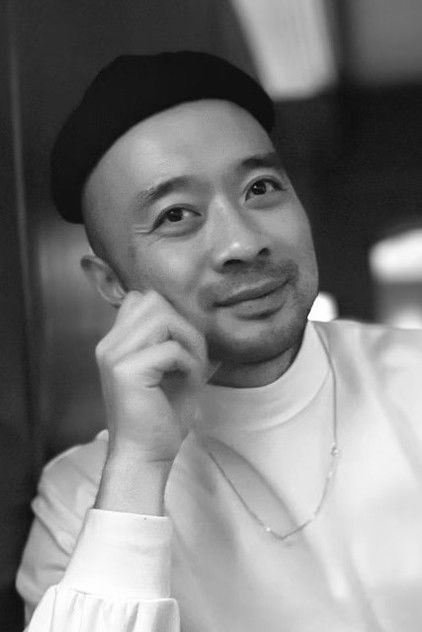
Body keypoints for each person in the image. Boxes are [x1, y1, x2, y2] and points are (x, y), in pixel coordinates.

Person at [17, 52, 422, 631]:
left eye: (261, 188)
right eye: (176, 214)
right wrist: (140, 464)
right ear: (110, 283)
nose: (243, 243)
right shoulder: (80, 502)